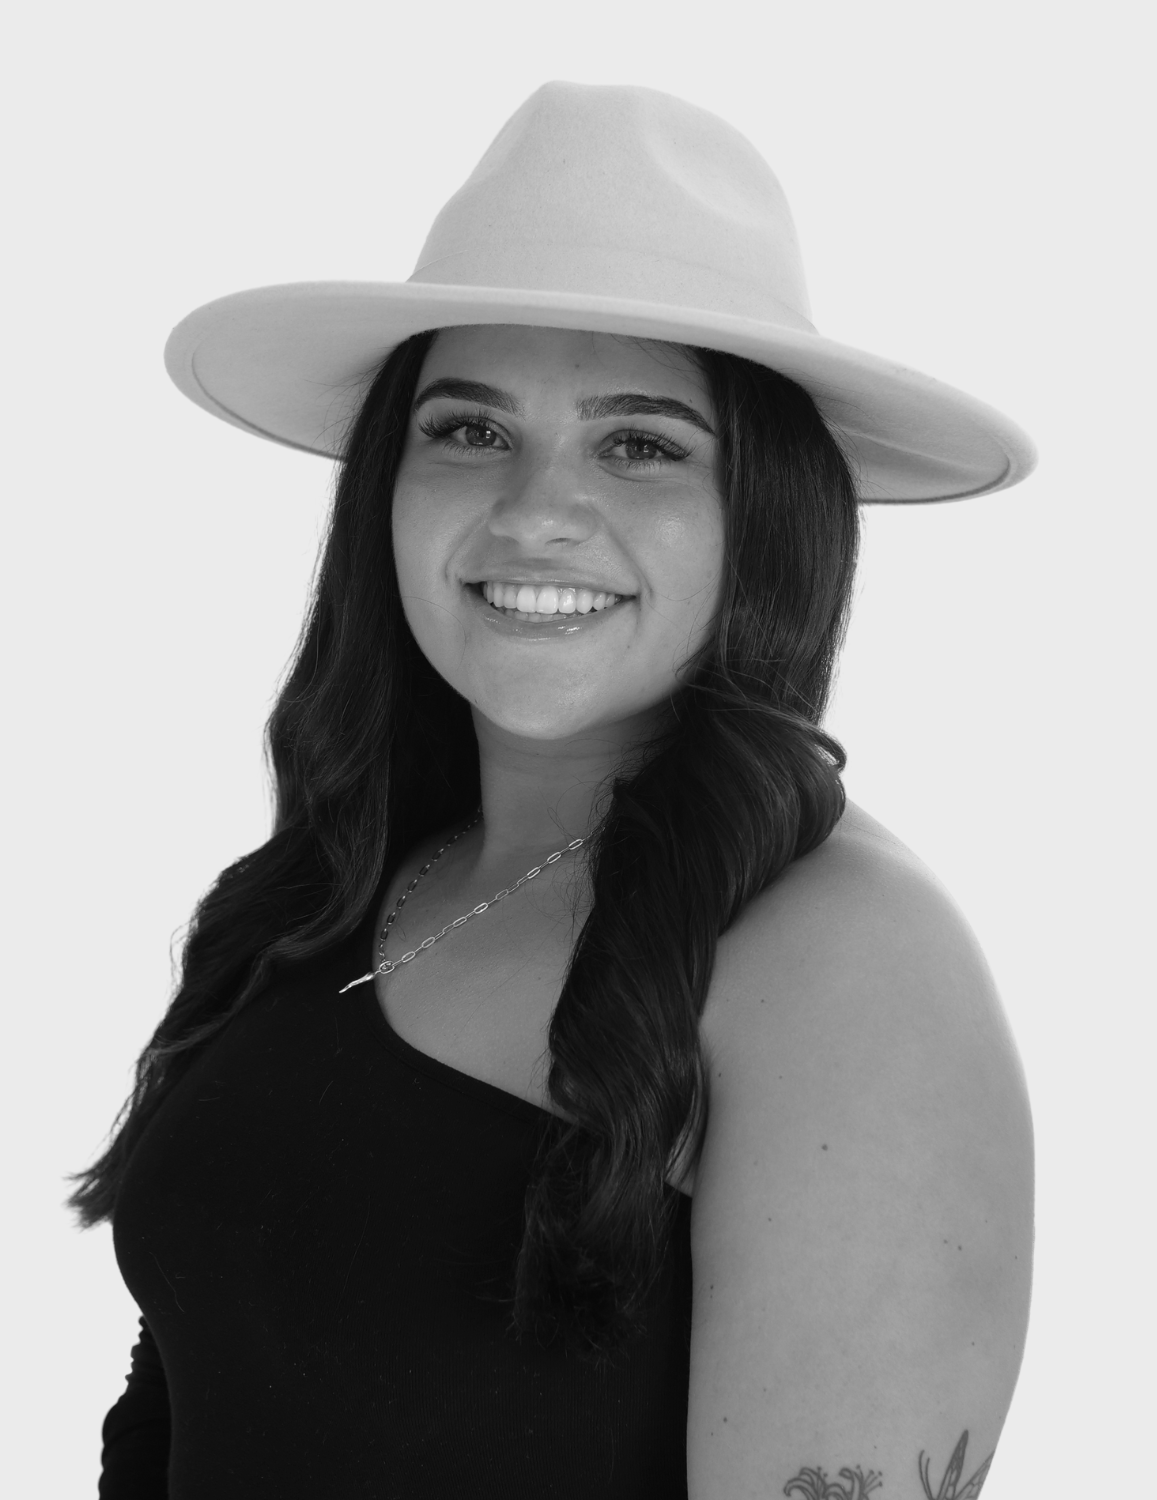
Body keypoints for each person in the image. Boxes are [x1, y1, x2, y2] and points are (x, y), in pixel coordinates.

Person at [72, 82, 1036, 1500]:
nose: (534, 511)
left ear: (760, 515)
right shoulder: (333, 887)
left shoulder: (845, 961)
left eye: (640, 443)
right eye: (469, 430)